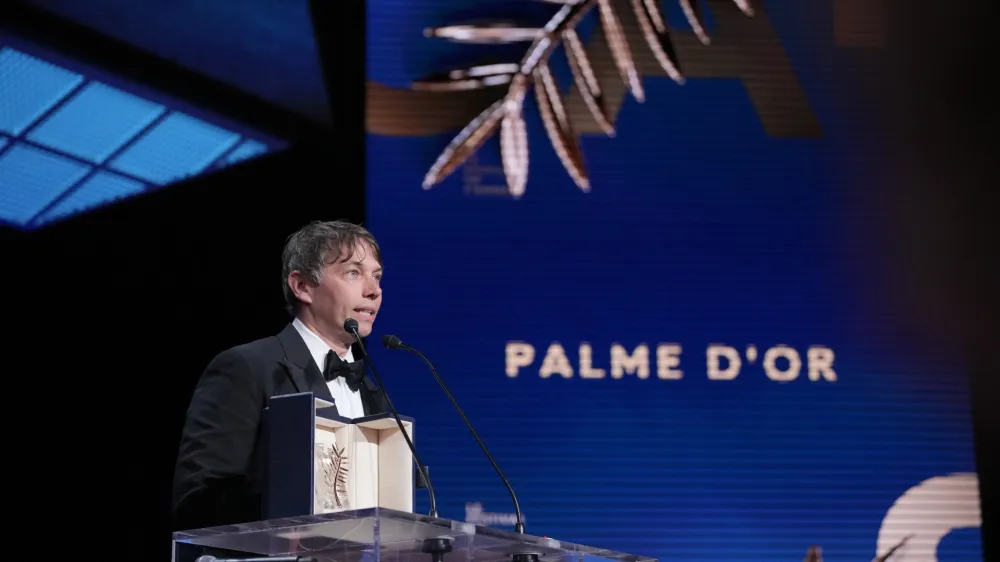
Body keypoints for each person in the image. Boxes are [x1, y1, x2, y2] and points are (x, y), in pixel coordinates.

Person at [171, 220, 389, 531]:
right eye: (353, 273)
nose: (374, 290)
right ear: (302, 286)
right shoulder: (246, 368)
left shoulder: (371, 392)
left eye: (377, 276)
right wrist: (288, 513)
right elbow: (195, 501)